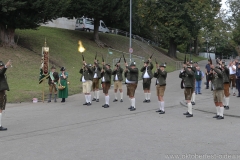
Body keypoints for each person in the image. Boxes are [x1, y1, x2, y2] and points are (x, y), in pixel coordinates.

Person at [0, 60, 12, 131]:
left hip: (2, 91)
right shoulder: (1, 72)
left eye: (2, 66)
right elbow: (1, 72)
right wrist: (6, 66)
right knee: (0, 108)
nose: (1, 68)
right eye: (0, 66)